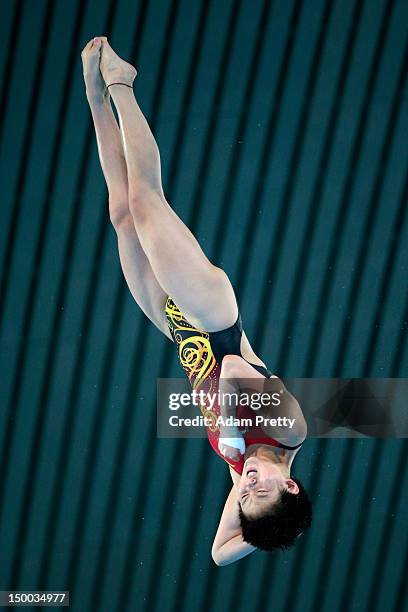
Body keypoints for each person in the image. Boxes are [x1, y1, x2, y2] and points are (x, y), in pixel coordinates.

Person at [81, 36, 312, 566]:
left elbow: (218, 554)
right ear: (291, 486)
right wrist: (231, 434)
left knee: (120, 211)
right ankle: (122, 83)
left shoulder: (248, 477)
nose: (248, 486)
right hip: (212, 317)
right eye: (262, 492)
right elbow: (231, 368)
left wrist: (266, 532)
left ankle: (96, 96)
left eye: (244, 499)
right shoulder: (290, 429)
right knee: (145, 201)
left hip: (176, 332)